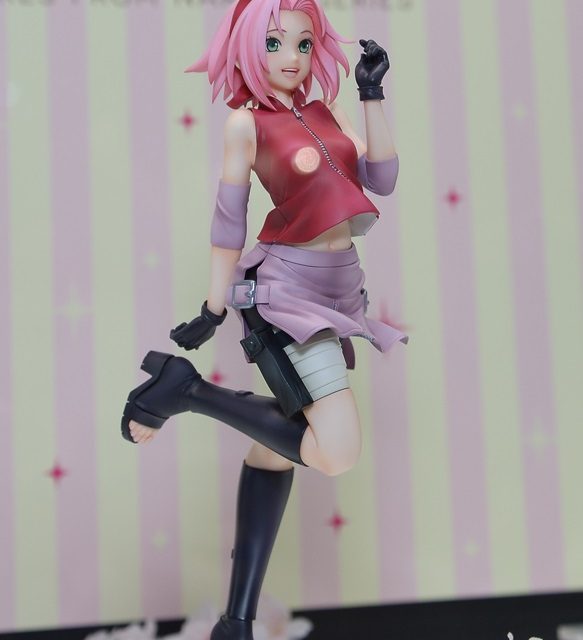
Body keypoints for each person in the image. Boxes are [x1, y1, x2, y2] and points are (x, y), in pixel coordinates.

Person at [121, 1, 407, 638]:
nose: (291, 58)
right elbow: (230, 220)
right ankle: (186, 391)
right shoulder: (245, 123)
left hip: (342, 291)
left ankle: (237, 622)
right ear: (249, 48)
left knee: (277, 451)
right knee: (336, 451)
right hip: (287, 293)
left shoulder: (325, 111)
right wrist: (213, 307)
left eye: (303, 44)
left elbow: (383, 178)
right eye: (275, 43)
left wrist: (372, 95)